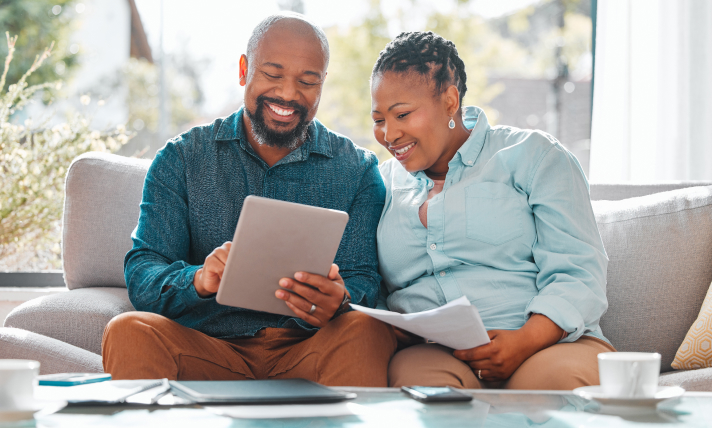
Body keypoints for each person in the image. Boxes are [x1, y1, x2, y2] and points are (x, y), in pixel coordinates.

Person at [101, 13, 396, 386]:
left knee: (367, 329)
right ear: (244, 70)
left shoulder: (357, 170)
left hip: (308, 349)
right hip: (206, 347)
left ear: (322, 85)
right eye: (273, 75)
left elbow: (365, 279)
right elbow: (144, 271)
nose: (288, 95)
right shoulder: (182, 158)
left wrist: (340, 299)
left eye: (307, 81)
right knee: (129, 330)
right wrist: (198, 280)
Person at [370, 31, 615, 390]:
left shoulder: (534, 155)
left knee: (541, 392)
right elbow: (373, 286)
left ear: (450, 101)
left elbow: (579, 271)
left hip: (548, 344)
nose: (389, 134)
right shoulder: (380, 183)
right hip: (435, 352)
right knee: (428, 399)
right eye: (378, 120)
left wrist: (525, 341)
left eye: (402, 114)